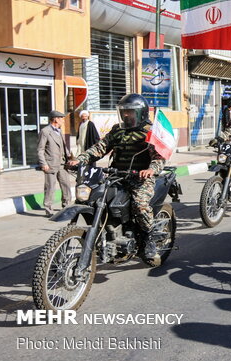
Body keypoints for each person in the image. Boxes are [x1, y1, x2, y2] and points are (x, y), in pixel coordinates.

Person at [69, 94, 165, 262]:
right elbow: (100, 147)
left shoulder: (150, 131)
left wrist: (150, 169)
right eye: (124, 112)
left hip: (141, 177)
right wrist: (81, 159)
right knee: (96, 198)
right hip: (116, 175)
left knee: (140, 205)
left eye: (130, 112)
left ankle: (149, 239)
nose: (126, 115)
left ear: (141, 113)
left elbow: (159, 157)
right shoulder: (117, 130)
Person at [37, 110, 73, 217]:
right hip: (50, 164)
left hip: (62, 163)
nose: (63, 120)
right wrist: (43, 163)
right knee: (50, 187)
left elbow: (63, 146)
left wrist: (69, 156)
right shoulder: (45, 131)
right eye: (61, 118)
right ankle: (48, 209)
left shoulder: (59, 130)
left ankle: (66, 205)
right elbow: (40, 150)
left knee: (66, 184)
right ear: (55, 119)